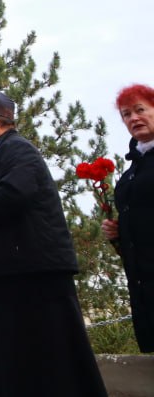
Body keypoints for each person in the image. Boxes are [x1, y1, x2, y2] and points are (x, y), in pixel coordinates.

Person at [0, 90, 108, 395]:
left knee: (54, 356)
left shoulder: (18, 150)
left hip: (35, 272)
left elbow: (16, 193)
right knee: (19, 360)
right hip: (9, 272)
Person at [102, 84, 154, 352]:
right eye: (126, 114)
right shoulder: (134, 168)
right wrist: (119, 231)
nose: (134, 118)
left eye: (140, 110)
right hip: (143, 280)